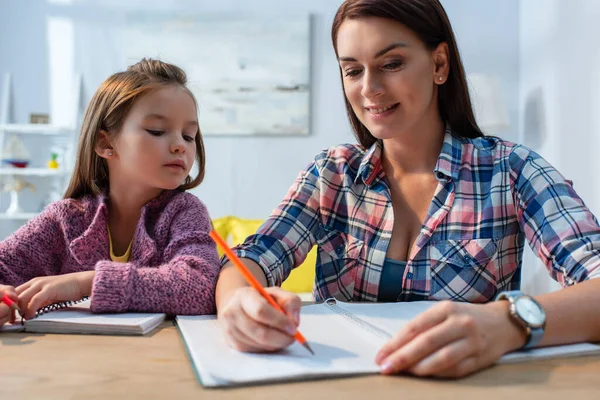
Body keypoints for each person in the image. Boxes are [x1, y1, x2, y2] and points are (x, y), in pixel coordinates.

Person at [215, 0, 600, 378]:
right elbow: (250, 259)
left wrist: (509, 322)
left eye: (391, 64)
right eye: (352, 71)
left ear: (439, 64)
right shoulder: (331, 174)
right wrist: (238, 303)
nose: (370, 89)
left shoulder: (511, 170)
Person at [0, 58, 220, 326]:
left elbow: (201, 287)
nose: (180, 146)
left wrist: (85, 283)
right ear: (105, 143)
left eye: (189, 135)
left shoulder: (186, 212)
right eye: (157, 131)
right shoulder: (66, 218)